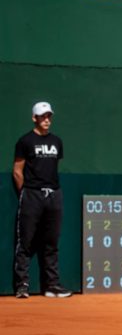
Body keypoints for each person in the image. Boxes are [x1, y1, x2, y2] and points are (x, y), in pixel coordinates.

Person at [12, 102, 72, 299]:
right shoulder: (25, 141)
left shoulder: (57, 141)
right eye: (42, 116)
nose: (46, 120)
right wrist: (26, 193)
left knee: (51, 242)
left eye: (49, 116)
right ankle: (22, 286)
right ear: (34, 118)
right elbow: (17, 171)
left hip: (54, 195)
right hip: (32, 195)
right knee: (25, 242)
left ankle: (52, 286)